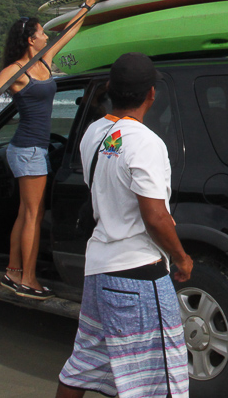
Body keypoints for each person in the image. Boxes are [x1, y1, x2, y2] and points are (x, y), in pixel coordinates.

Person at [57, 52, 193, 398]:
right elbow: (155, 217)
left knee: (85, 364)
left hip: (100, 269)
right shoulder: (145, 142)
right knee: (158, 382)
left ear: (109, 89)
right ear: (151, 93)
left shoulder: (94, 133)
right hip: (137, 275)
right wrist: (181, 258)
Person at [0, 0, 101, 299]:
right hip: (27, 149)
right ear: (31, 40)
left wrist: (89, 4)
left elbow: (68, 32)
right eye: (42, 32)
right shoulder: (16, 70)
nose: (47, 35)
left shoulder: (45, 59)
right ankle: (27, 279)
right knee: (32, 213)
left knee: (25, 212)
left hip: (35, 149)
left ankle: (13, 270)